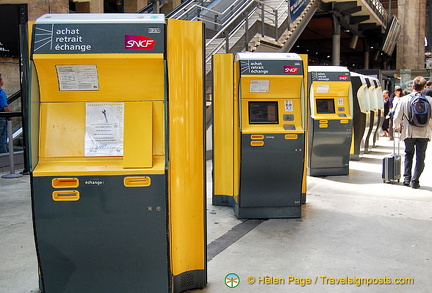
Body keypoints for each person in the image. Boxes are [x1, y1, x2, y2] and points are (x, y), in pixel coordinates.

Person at [393, 76, 432, 189]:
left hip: (408, 132)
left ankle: (406, 179)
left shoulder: (404, 99)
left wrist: (397, 127)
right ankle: (415, 181)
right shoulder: (429, 100)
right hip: (424, 133)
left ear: (413, 86)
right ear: (424, 87)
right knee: (420, 157)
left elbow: (397, 117)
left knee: (408, 154)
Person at [0, 74, 11, 153]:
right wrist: (10, 115)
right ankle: (4, 156)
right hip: (1, 118)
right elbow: (5, 106)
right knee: (2, 137)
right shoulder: (1, 92)